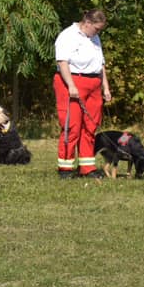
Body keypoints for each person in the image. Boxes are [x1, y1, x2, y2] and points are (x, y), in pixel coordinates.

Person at [53, 9, 112, 179]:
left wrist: (105, 87)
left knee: (90, 126)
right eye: (97, 29)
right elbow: (62, 62)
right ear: (87, 23)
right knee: (72, 126)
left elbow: (100, 64)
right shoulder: (68, 36)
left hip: (93, 83)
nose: (98, 32)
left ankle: (87, 167)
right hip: (73, 81)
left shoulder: (94, 37)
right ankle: (65, 167)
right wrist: (71, 85)